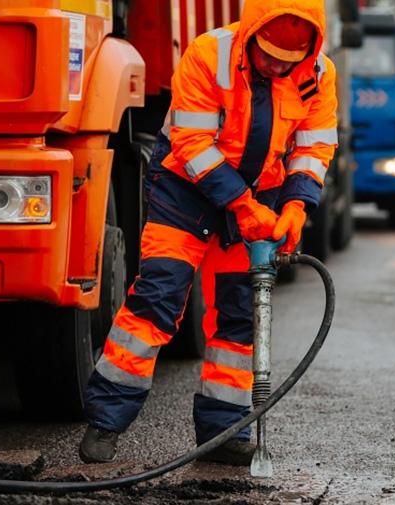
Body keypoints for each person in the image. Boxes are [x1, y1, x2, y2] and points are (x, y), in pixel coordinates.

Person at [78, 0, 338, 465]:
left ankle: (223, 433)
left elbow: (313, 144)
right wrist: (242, 206)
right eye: (269, 54)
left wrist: (297, 205)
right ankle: (106, 421)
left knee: (239, 318)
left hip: (261, 199)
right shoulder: (207, 54)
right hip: (186, 194)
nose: (278, 65)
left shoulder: (318, 72)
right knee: (157, 300)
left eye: (288, 59)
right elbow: (191, 144)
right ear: (252, 33)